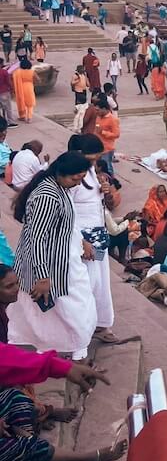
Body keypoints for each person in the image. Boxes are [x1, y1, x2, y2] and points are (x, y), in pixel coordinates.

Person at [7, 152, 98, 361]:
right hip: (46, 265)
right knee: (61, 310)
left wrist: (81, 241)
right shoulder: (46, 196)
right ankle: (63, 351)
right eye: (75, 178)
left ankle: (70, 348)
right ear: (60, 173)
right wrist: (42, 277)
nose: (78, 183)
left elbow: (66, 223)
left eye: (81, 179)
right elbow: (36, 239)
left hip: (64, 259)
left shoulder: (62, 188)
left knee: (71, 307)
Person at [67, 134, 117, 344]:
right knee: (86, 284)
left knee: (100, 283)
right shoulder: (71, 175)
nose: (94, 163)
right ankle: (82, 330)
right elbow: (68, 213)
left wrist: (105, 192)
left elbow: (106, 204)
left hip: (98, 238)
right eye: (91, 159)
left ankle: (101, 324)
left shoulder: (92, 173)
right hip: (82, 240)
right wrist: (81, 241)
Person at [95, 97, 120, 176]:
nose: (96, 112)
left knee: (107, 167)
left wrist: (103, 132)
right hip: (97, 147)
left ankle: (111, 181)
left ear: (104, 109)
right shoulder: (98, 117)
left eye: (98, 110)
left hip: (107, 148)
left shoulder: (113, 119)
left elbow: (116, 134)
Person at [12, 57, 36, 122]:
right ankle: (29, 118)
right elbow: (37, 79)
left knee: (22, 101)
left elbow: (13, 79)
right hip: (29, 87)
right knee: (30, 104)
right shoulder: (32, 72)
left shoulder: (17, 72)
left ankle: (22, 116)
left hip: (21, 87)